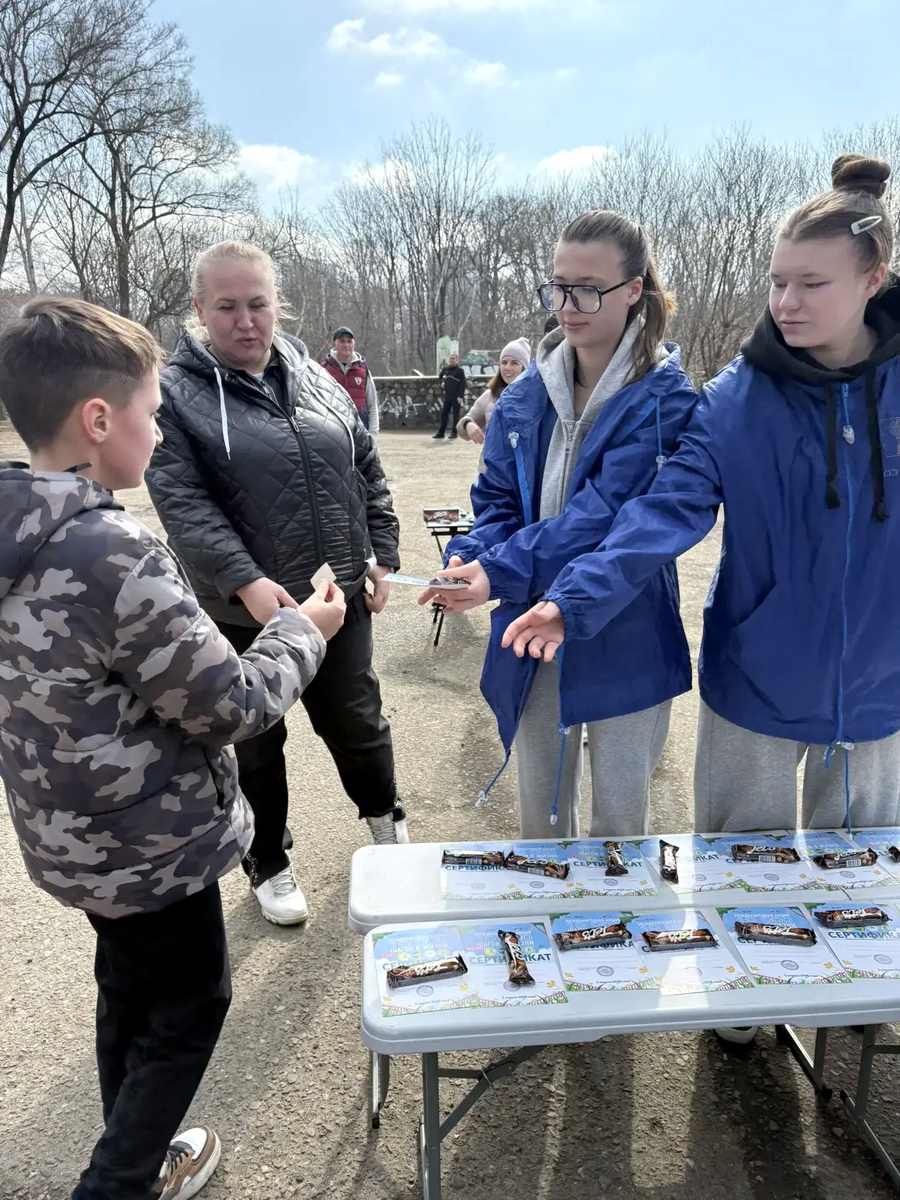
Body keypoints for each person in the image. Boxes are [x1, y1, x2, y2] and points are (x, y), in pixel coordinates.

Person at [0, 297, 345, 1200]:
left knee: (130, 988)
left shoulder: (15, 534)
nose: (158, 432)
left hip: (70, 842)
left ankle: (144, 1161)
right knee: (191, 1006)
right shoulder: (110, 550)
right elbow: (231, 705)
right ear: (98, 420)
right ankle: (117, 1184)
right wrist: (303, 632)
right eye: (151, 413)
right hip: (148, 846)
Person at [502, 157, 900, 841]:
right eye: (777, 281)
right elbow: (661, 512)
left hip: (881, 685)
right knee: (740, 880)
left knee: (864, 888)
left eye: (812, 284)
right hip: (755, 684)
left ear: (873, 280)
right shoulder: (733, 401)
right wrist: (576, 599)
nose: (786, 302)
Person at [146, 241, 406, 930]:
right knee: (256, 740)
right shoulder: (175, 396)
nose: (245, 320)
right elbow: (183, 502)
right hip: (244, 612)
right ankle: (267, 857)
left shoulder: (317, 376)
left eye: (257, 304)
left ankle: (386, 822)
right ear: (199, 309)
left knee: (358, 720)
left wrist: (382, 553)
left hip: (336, 597)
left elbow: (366, 467)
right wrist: (246, 581)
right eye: (226, 306)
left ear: (277, 305)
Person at [422, 210, 697, 837]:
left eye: (589, 289)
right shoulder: (521, 398)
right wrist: (470, 557)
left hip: (626, 626)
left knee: (620, 828)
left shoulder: (668, 401)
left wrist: (496, 571)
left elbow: (603, 518)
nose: (568, 306)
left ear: (634, 290)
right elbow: (497, 503)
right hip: (529, 625)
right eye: (558, 287)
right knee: (541, 824)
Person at [457, 337, 531, 449]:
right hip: (492, 459)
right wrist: (468, 424)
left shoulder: (535, 397)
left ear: (524, 368)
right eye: (504, 362)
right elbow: (462, 427)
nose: (507, 367)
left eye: (514, 363)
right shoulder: (490, 395)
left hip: (525, 460)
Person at [321, 325, 380, 438]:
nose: (346, 345)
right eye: (342, 341)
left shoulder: (363, 371)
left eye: (349, 341)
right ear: (334, 344)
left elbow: (372, 405)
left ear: (354, 344)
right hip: (332, 433)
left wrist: (373, 434)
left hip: (360, 432)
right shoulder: (323, 370)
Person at [433, 352, 467, 438]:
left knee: (455, 415)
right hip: (448, 396)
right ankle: (441, 433)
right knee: (444, 414)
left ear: (457, 360)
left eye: (453, 359)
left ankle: (454, 433)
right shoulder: (446, 369)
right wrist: (442, 383)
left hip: (456, 397)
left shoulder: (460, 371)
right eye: (451, 359)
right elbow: (440, 377)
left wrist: (460, 396)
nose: (452, 360)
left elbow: (463, 384)